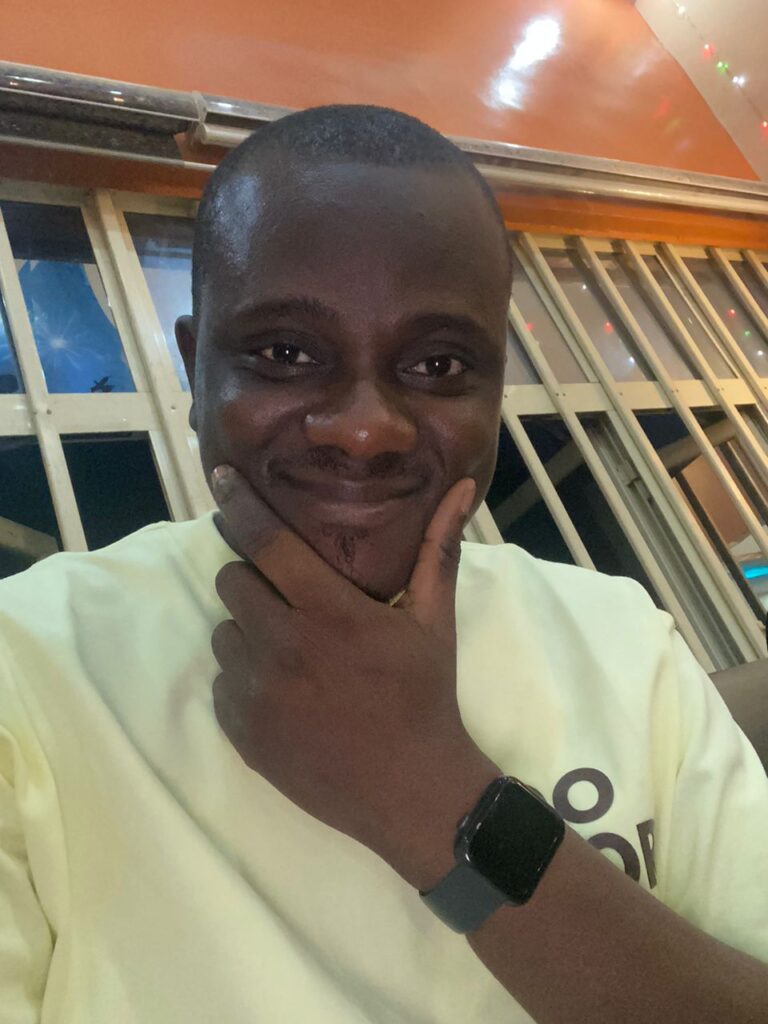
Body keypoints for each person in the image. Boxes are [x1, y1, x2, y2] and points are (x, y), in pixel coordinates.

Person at [0, 105, 766, 1024]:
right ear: (197, 372)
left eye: (438, 365)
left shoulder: (624, 641)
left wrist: (427, 790)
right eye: (286, 353)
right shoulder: (27, 665)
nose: (366, 429)